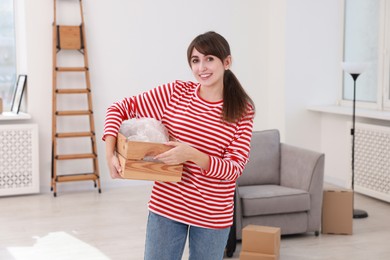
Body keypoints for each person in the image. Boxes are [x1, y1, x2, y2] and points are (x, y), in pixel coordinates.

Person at [103, 31, 255, 260]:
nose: (202, 67)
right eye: (195, 60)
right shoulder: (176, 93)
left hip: (213, 215)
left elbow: (234, 168)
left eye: (209, 59)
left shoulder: (242, 110)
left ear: (227, 62)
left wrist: (192, 155)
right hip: (167, 206)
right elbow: (119, 108)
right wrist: (109, 155)